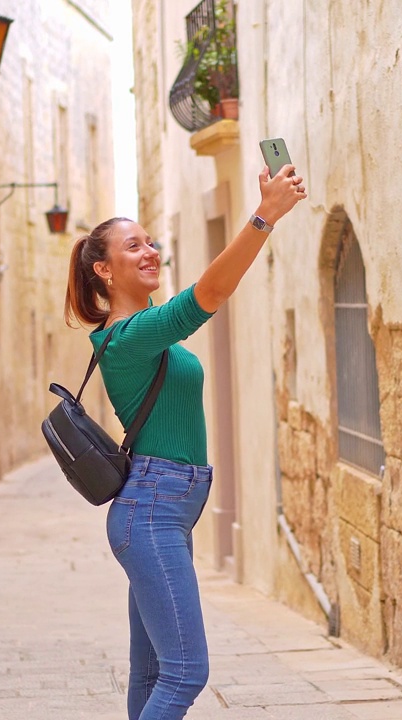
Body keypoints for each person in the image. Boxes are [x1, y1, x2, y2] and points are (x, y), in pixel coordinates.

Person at [63, 164, 306, 719]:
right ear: (104, 270)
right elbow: (211, 291)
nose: (150, 251)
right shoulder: (126, 338)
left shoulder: (147, 329)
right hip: (151, 512)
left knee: (153, 673)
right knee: (185, 672)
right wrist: (264, 215)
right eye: (133, 246)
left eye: (151, 242)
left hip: (164, 513)